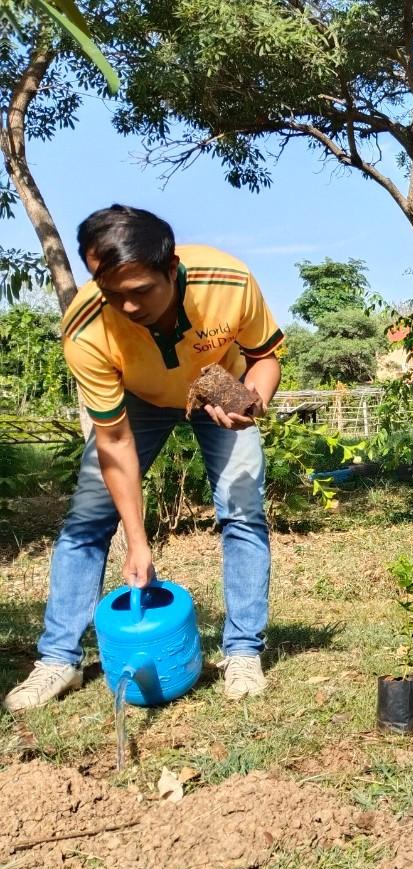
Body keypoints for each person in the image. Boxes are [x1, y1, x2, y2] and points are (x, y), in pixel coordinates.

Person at [3, 206, 283, 711]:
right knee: (88, 517)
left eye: (141, 291)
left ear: (171, 268)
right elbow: (113, 443)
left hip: (216, 382)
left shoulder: (229, 281)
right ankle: (58, 659)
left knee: (243, 511)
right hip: (139, 401)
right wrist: (138, 542)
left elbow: (264, 356)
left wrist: (253, 402)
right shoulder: (87, 328)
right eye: (113, 293)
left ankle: (242, 651)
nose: (128, 307)